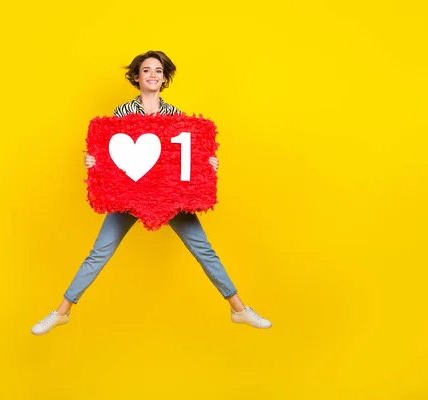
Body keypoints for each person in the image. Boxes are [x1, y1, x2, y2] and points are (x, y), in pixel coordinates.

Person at [31, 50, 272, 335]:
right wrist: (94, 161)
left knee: (203, 250)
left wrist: (208, 162)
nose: (153, 75)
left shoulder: (175, 116)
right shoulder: (122, 114)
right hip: (129, 197)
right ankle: (61, 313)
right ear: (137, 77)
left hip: (168, 197)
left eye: (158, 71)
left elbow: (189, 155)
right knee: (100, 252)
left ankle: (239, 309)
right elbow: (109, 151)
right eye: (146, 70)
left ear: (164, 78)